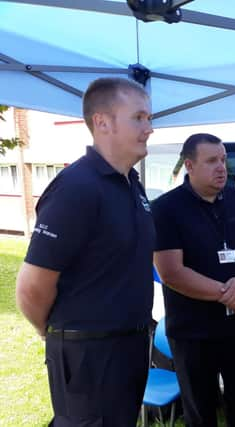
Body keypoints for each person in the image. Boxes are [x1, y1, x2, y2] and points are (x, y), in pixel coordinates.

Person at [15, 77, 155, 426]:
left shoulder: (131, 185)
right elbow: (32, 287)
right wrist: (59, 332)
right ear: (102, 122)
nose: (149, 128)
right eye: (139, 118)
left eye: (149, 119)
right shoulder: (77, 187)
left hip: (130, 346)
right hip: (88, 354)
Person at [152, 133, 235, 427]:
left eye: (224, 160)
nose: (221, 167)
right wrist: (229, 294)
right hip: (194, 333)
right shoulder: (166, 208)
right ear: (189, 165)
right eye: (212, 161)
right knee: (200, 412)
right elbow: (171, 272)